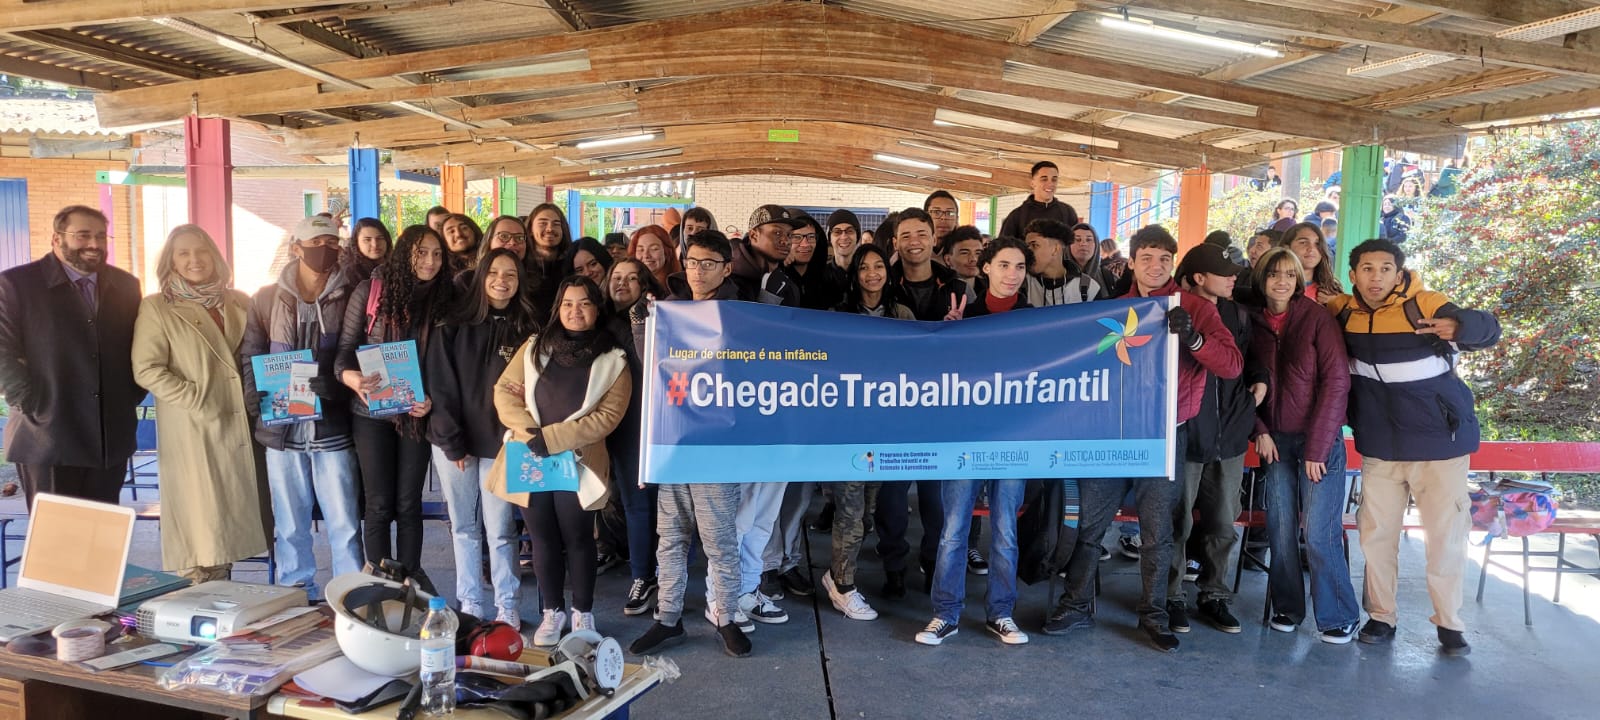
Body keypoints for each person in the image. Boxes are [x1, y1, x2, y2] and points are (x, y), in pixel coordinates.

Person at [1045, 225, 1241, 653]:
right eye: (1147, 258)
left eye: (1165, 260)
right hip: (1112, 434)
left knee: (1158, 531)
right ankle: (1076, 604)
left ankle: (1153, 613)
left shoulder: (1195, 308)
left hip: (1164, 434)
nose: (1156, 267)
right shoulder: (1111, 309)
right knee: (1092, 525)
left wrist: (1194, 338)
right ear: (1132, 262)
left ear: (1174, 265)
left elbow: (1230, 365)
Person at [1328, 239, 1501, 656]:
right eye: (1367, 269)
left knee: (1445, 537)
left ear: (1399, 272)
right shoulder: (1342, 310)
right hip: (1381, 446)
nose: (1376, 277)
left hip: (1439, 445)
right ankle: (1381, 616)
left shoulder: (1425, 303)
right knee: (1376, 536)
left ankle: (1449, 623)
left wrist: (1461, 327)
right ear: (1353, 275)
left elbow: (1488, 329)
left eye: (1385, 269)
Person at [629, 230, 751, 659]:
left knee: (720, 541)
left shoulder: (740, 314)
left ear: (726, 267)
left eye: (708, 264)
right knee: (671, 537)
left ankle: (727, 616)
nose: (698, 271)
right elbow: (652, 374)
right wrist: (642, 324)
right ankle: (667, 618)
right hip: (674, 440)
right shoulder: (667, 309)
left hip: (717, 447)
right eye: (692, 262)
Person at [491, 275, 630, 647]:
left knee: (579, 538)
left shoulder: (613, 358)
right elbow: (504, 390)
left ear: (596, 309)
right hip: (532, 455)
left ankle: (583, 611)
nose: (575, 311)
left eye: (584, 303)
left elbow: (607, 417)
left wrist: (552, 439)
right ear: (558, 308)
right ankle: (553, 611)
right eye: (568, 303)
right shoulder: (535, 346)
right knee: (542, 538)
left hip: (578, 460)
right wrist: (529, 432)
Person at [130, 225, 267, 582]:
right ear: (171, 262)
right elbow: (147, 369)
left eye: (202, 251)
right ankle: (201, 600)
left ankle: (228, 603)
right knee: (204, 530)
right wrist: (195, 397)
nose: (195, 260)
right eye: (184, 253)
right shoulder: (158, 308)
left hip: (243, 426)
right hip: (196, 428)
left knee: (235, 521)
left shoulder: (240, 301)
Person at [916, 237, 1035, 647]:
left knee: (1005, 532)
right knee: (954, 530)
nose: (1012, 274)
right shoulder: (965, 313)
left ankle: (1001, 613)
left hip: (1014, 438)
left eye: (1019, 267)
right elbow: (939, 377)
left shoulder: (1038, 321)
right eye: (1004, 265)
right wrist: (949, 337)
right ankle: (945, 613)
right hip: (965, 438)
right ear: (985, 268)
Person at [240, 214, 361, 600]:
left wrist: (337, 386)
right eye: (316, 244)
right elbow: (251, 355)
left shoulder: (352, 294)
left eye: (332, 244)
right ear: (296, 248)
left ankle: (349, 593)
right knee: (289, 520)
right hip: (282, 428)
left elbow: (357, 351)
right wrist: (256, 402)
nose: (325, 251)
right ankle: (295, 591)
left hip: (333, 426)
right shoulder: (264, 298)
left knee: (344, 520)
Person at [1246, 246, 1360, 643]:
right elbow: (1243, 382)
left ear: (1298, 281)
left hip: (1318, 443)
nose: (1282, 281)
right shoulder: (1251, 322)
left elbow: (1336, 382)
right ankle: (1287, 607)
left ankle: (1337, 614)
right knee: (1279, 529)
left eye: (1290, 275)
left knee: (1317, 531)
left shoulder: (1316, 319)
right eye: (1274, 274)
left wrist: (1316, 448)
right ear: (1262, 279)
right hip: (1274, 442)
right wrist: (1258, 427)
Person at [425, 248, 539, 629]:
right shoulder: (454, 323)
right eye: (493, 273)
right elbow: (440, 386)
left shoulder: (529, 326)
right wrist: (452, 441)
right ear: (481, 277)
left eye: (510, 273)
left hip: (504, 444)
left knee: (502, 528)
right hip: (455, 442)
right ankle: (470, 602)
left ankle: (508, 603)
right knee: (463, 527)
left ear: (519, 279)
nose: (501, 280)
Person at [0, 205, 142, 507]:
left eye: (101, 236)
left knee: (102, 536)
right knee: (55, 541)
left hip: (110, 435)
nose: (94, 244)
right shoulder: (16, 285)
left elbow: (139, 346)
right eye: (83, 235)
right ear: (56, 239)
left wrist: (129, 394)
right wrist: (31, 402)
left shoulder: (126, 286)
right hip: (48, 436)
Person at [338, 224, 449, 578]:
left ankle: (410, 582)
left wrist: (433, 398)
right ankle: (383, 583)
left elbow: (448, 361)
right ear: (404, 254)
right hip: (371, 412)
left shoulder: (447, 297)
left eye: (436, 253)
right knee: (379, 504)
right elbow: (343, 354)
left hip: (417, 413)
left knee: (408, 504)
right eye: (421, 253)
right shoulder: (371, 290)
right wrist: (352, 379)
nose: (430, 262)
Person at [1165, 243, 1260, 636]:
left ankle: (1214, 594)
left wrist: (1259, 387)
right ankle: (1170, 597)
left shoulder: (1238, 313)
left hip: (1231, 435)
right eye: (1225, 273)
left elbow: (1250, 361)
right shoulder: (1171, 311)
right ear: (1199, 277)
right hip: (1188, 431)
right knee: (1177, 521)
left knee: (1223, 521)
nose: (1233, 278)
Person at [819, 243, 912, 623]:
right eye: (864, 267)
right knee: (850, 512)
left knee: (868, 511)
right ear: (853, 274)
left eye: (879, 266)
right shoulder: (838, 315)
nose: (872, 273)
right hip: (848, 430)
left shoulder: (902, 314)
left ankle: (837, 573)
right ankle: (843, 585)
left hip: (886, 429)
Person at [721, 205, 805, 625]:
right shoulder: (729, 278)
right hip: (739, 416)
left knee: (766, 513)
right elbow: (739, 337)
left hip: (781, 409)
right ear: (753, 234)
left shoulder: (786, 280)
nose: (786, 239)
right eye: (777, 232)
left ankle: (750, 588)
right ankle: (725, 595)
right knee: (740, 514)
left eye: (790, 233)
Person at [878, 208, 966, 598]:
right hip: (893, 407)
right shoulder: (884, 285)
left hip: (941, 409)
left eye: (921, 234)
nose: (914, 242)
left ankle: (933, 563)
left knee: (935, 498)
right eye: (906, 235)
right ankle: (893, 566)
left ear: (934, 239)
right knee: (892, 498)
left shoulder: (958, 288)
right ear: (895, 242)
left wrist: (957, 331)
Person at [606, 258, 668, 617]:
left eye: (632, 278)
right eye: (617, 277)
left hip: (659, 424)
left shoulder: (658, 319)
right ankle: (642, 576)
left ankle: (667, 575)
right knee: (635, 507)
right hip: (622, 427)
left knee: (668, 507)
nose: (623, 283)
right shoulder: (597, 321)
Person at [1000, 161, 1079, 238]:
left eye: (1054, 180)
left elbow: (1075, 244)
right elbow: (1003, 248)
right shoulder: (1016, 216)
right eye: (1044, 179)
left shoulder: (1068, 213)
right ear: (1032, 183)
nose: (1050, 184)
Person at [784, 212, 844, 312]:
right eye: (797, 237)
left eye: (811, 237)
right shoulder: (775, 278)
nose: (805, 244)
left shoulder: (828, 281)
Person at [1279, 222, 1344, 304]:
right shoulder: (1275, 285)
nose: (1311, 249)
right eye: (1303, 242)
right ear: (1287, 247)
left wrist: (1337, 305)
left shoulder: (1332, 289)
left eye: (1317, 244)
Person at [526, 203, 574, 312]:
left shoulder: (573, 265)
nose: (550, 229)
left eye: (556, 224)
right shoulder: (520, 267)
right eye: (543, 223)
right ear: (530, 230)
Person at [628, 224, 681, 292]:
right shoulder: (630, 289)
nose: (646, 255)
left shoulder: (681, 287)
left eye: (654, 249)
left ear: (667, 252)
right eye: (640, 249)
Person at [940, 226, 984, 305]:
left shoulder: (990, 288)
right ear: (948, 259)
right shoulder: (940, 291)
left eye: (978, 253)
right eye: (965, 253)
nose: (973, 259)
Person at [343, 218, 392, 285]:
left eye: (380, 238)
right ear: (356, 243)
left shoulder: (396, 266)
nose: (375, 244)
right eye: (367, 240)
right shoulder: (349, 275)